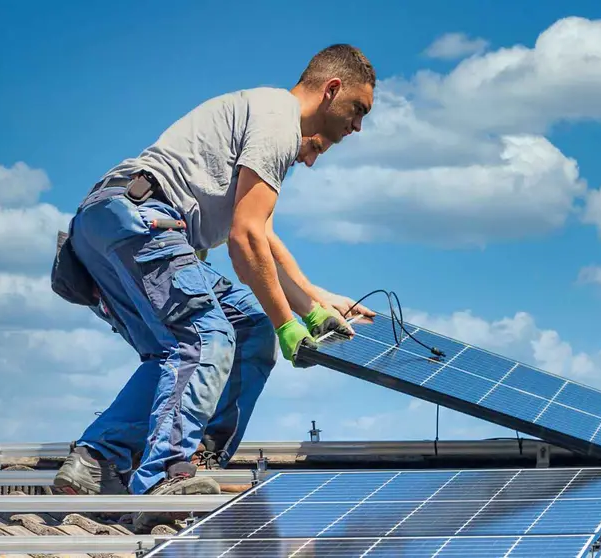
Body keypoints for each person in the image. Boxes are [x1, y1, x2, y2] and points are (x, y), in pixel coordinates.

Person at [52, 43, 377, 530]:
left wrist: (314, 299)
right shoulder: (279, 120)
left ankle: (99, 460)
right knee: (205, 335)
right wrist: (289, 325)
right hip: (142, 219)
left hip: (108, 226)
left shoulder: (264, 118)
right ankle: (166, 477)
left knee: (244, 326)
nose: (357, 127)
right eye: (358, 110)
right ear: (332, 90)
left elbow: (261, 234)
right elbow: (245, 241)